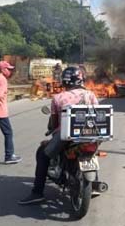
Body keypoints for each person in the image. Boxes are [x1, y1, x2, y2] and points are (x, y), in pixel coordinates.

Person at [19, 66, 98, 205]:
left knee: (42, 153)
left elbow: (54, 123)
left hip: (66, 136)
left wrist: (53, 130)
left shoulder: (58, 98)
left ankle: (37, 193)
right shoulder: (90, 95)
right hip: (89, 133)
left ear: (66, 81)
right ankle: (94, 184)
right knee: (91, 153)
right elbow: (98, 115)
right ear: (81, 80)